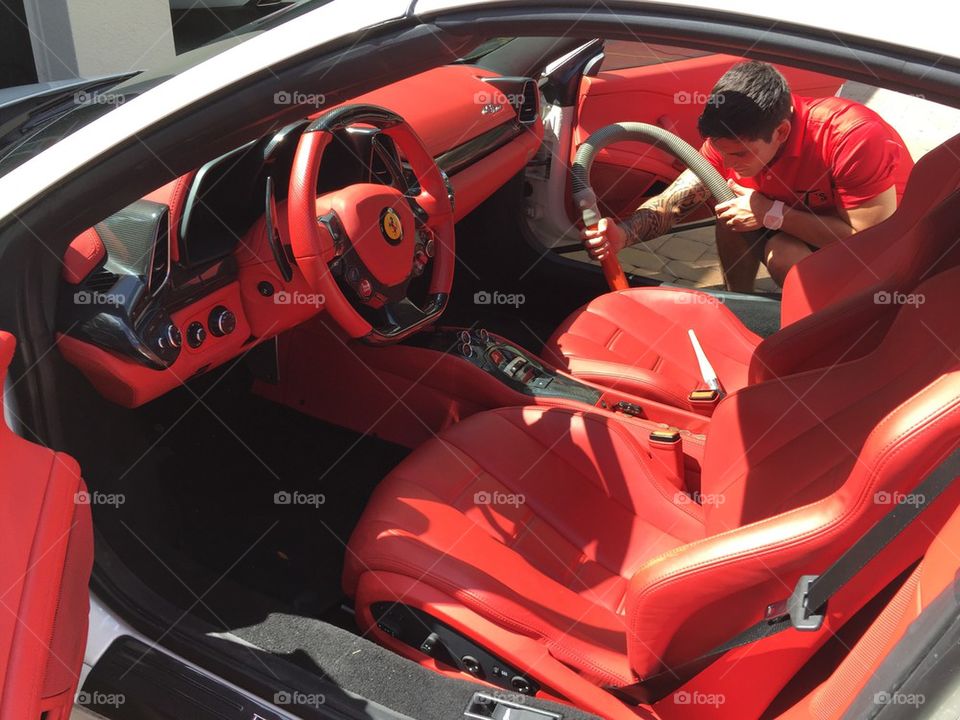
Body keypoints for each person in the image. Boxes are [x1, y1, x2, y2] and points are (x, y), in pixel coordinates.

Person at [583, 61, 914, 292]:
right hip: (802, 220)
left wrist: (770, 213)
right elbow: (680, 197)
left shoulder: (851, 137)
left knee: (783, 253)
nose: (728, 162)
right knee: (730, 212)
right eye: (720, 151)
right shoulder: (735, 140)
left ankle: (819, 328)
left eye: (739, 155)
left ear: (782, 131)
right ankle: (738, 304)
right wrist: (624, 234)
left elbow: (868, 242)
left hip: (881, 250)